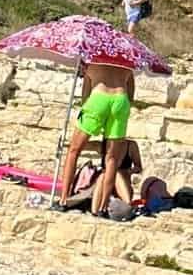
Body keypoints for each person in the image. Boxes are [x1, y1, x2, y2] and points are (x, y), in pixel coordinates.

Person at [54, 61, 136, 216]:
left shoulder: (93, 60)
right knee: (111, 159)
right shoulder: (127, 63)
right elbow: (131, 95)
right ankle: (103, 208)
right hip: (120, 99)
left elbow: (85, 96)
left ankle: (64, 200)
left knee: (74, 151)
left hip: (99, 97)